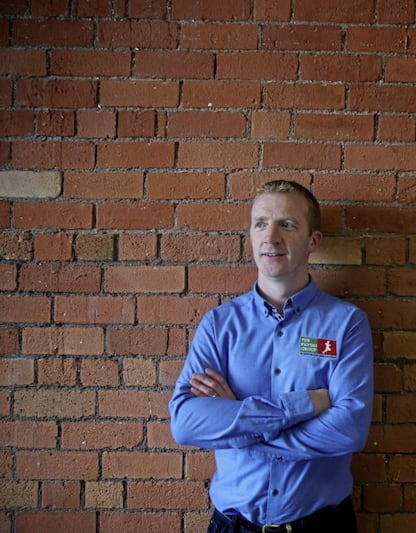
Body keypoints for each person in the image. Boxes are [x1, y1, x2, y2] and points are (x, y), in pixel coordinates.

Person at [169, 180, 374, 533]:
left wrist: (238, 423)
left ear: (314, 241)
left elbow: (349, 430)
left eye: (287, 224)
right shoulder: (220, 325)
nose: (271, 236)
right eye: (260, 223)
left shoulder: (346, 325)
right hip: (234, 525)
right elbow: (186, 423)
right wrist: (303, 406)